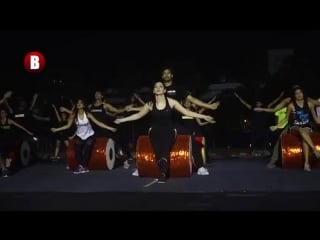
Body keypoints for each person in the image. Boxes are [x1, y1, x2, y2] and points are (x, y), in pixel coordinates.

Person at [114, 82, 214, 183]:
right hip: (155, 130)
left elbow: (186, 112)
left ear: (164, 90)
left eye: (161, 87)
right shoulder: (150, 104)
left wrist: (204, 116)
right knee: (155, 146)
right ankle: (142, 167)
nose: (158, 88)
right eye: (156, 87)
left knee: (171, 143)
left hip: (170, 128)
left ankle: (196, 167)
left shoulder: (171, 102)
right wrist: (122, 120)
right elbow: (138, 116)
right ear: (153, 90)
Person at [160, 68, 219, 175]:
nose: (166, 75)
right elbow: (147, 106)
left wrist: (209, 105)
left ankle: (200, 167)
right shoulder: (158, 89)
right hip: (161, 123)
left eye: (168, 73)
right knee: (149, 140)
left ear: (172, 76)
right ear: (162, 76)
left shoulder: (178, 89)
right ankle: (142, 166)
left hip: (176, 123)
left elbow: (193, 100)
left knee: (191, 139)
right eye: (164, 73)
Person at [51, 99, 117, 174]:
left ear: (83, 105)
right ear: (76, 106)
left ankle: (84, 166)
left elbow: (99, 123)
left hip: (89, 135)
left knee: (88, 146)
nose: (79, 104)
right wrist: (56, 129)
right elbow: (67, 126)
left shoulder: (88, 114)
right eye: (78, 103)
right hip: (80, 135)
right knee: (77, 147)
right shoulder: (74, 115)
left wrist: (110, 128)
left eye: (81, 103)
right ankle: (80, 166)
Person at [270, 86, 320, 171]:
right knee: (301, 130)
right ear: (294, 95)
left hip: (307, 126)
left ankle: (306, 164)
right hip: (295, 127)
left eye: (300, 92)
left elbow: (315, 119)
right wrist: (276, 126)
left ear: (303, 94)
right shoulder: (291, 106)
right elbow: (286, 118)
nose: (299, 95)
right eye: (296, 93)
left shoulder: (310, 104)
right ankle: (314, 150)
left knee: (305, 135)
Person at [0, 108, 33, 177]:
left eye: (3, 113)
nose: (2, 114)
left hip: (9, 140)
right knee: (1, 155)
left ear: (6, 114)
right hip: (2, 140)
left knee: (6, 156)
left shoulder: (9, 121)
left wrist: (28, 132)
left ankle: (6, 167)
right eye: (1, 113)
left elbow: (20, 127)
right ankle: (3, 169)